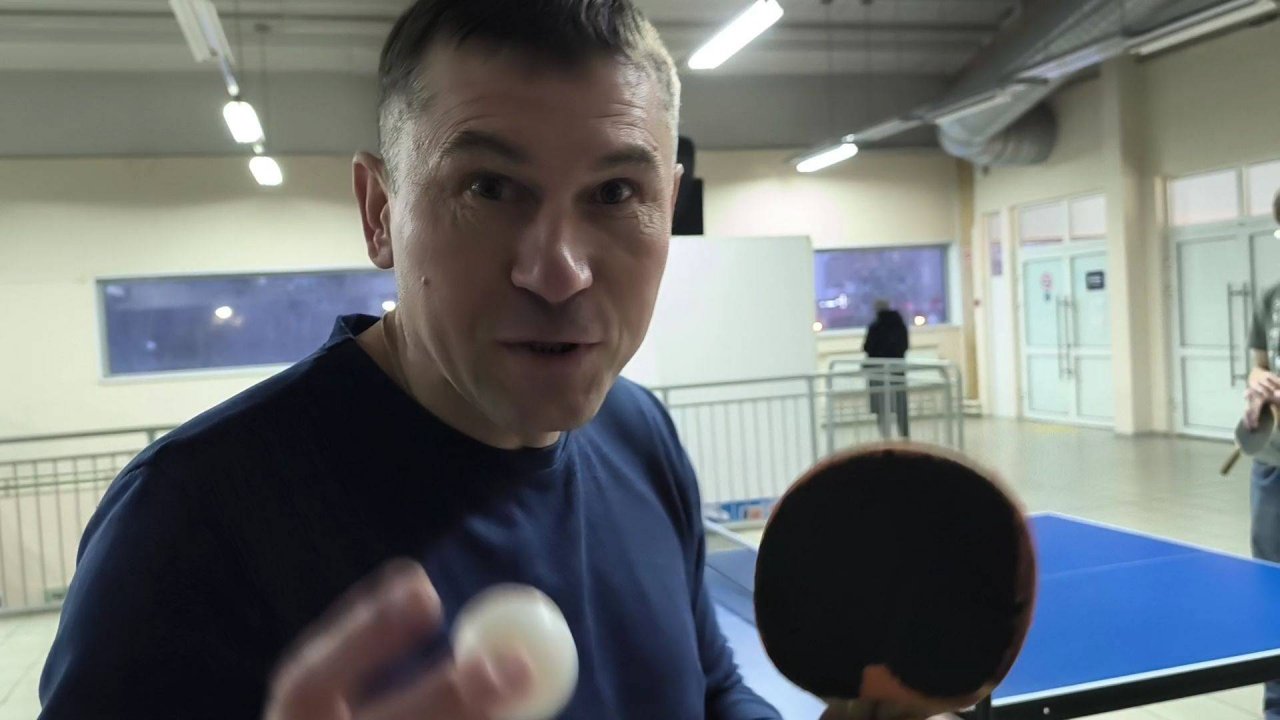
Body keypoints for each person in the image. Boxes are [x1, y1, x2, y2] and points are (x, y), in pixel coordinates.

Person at [35, 2, 920, 719]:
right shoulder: (190, 519)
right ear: (380, 213)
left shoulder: (639, 433)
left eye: (616, 193)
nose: (558, 271)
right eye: (489, 188)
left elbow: (711, 690)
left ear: (670, 207)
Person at [1245, 189, 1280, 720]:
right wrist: (1256, 387)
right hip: (1273, 465)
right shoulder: (1272, 296)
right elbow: (1257, 366)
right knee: (1274, 593)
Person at [864, 300, 910, 440]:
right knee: (900, 404)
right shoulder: (900, 325)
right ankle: (904, 435)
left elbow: (867, 347)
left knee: (880, 405)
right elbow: (905, 345)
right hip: (897, 368)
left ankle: (885, 437)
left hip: (877, 370)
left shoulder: (875, 327)